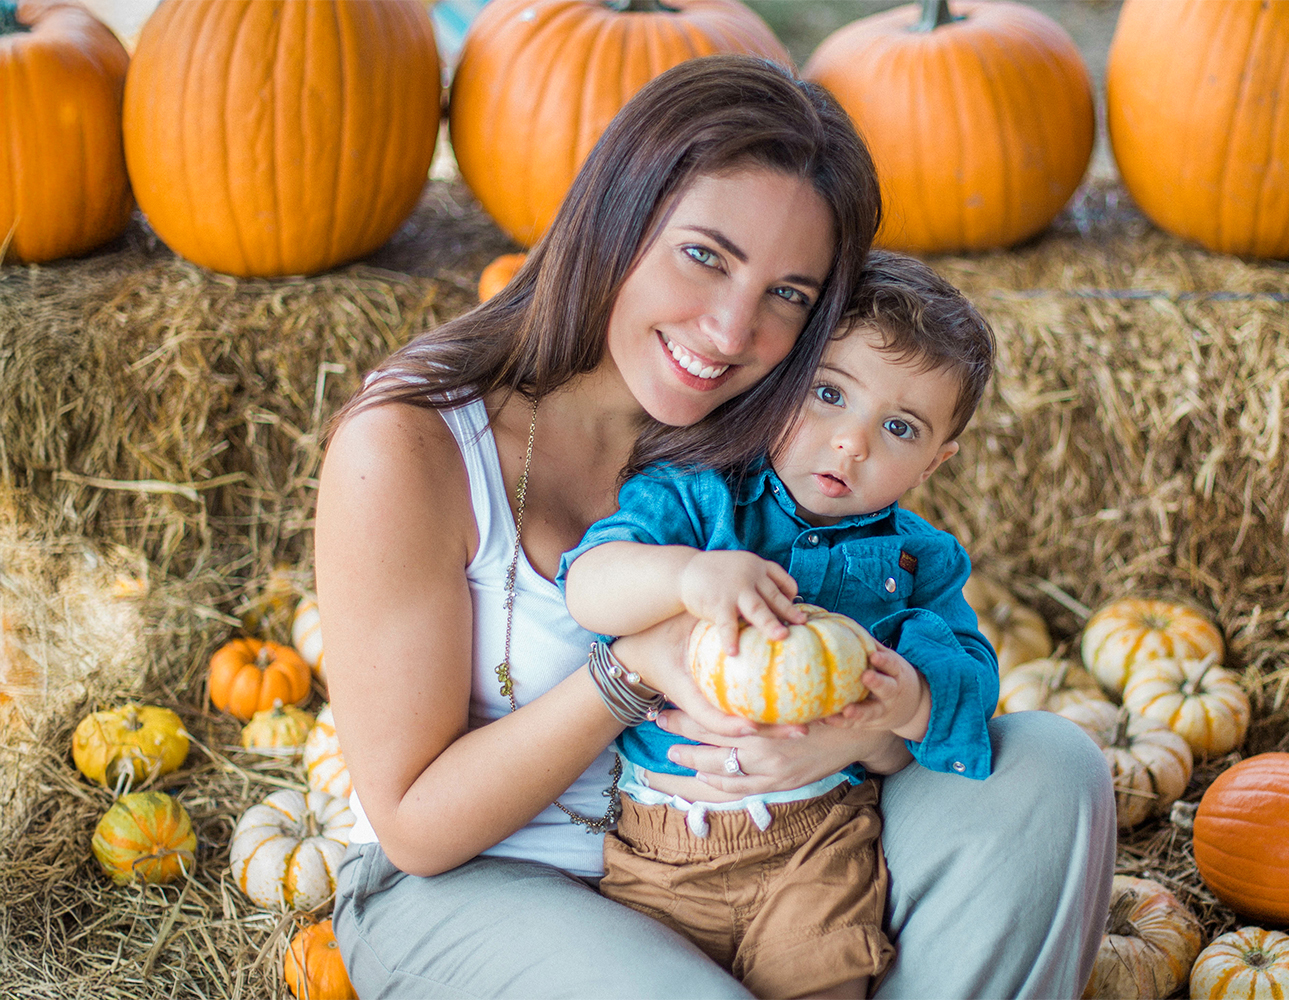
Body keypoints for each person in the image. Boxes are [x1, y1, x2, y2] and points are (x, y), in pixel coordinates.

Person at [315, 53, 1117, 1000]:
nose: (733, 332)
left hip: (773, 846)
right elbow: (413, 826)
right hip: (482, 884)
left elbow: (881, 656)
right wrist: (636, 665)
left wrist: (847, 736)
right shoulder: (411, 447)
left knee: (1051, 770)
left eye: (790, 295)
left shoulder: (775, 435)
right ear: (617, 220)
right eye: (706, 255)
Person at [557, 250, 1002, 999]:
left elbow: (974, 674)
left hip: (818, 844)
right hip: (660, 846)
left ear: (934, 463)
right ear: (784, 380)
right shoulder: (700, 499)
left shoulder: (921, 560)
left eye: (899, 427)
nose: (851, 442)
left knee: (825, 982)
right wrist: (687, 575)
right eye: (829, 393)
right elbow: (588, 585)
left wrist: (913, 704)